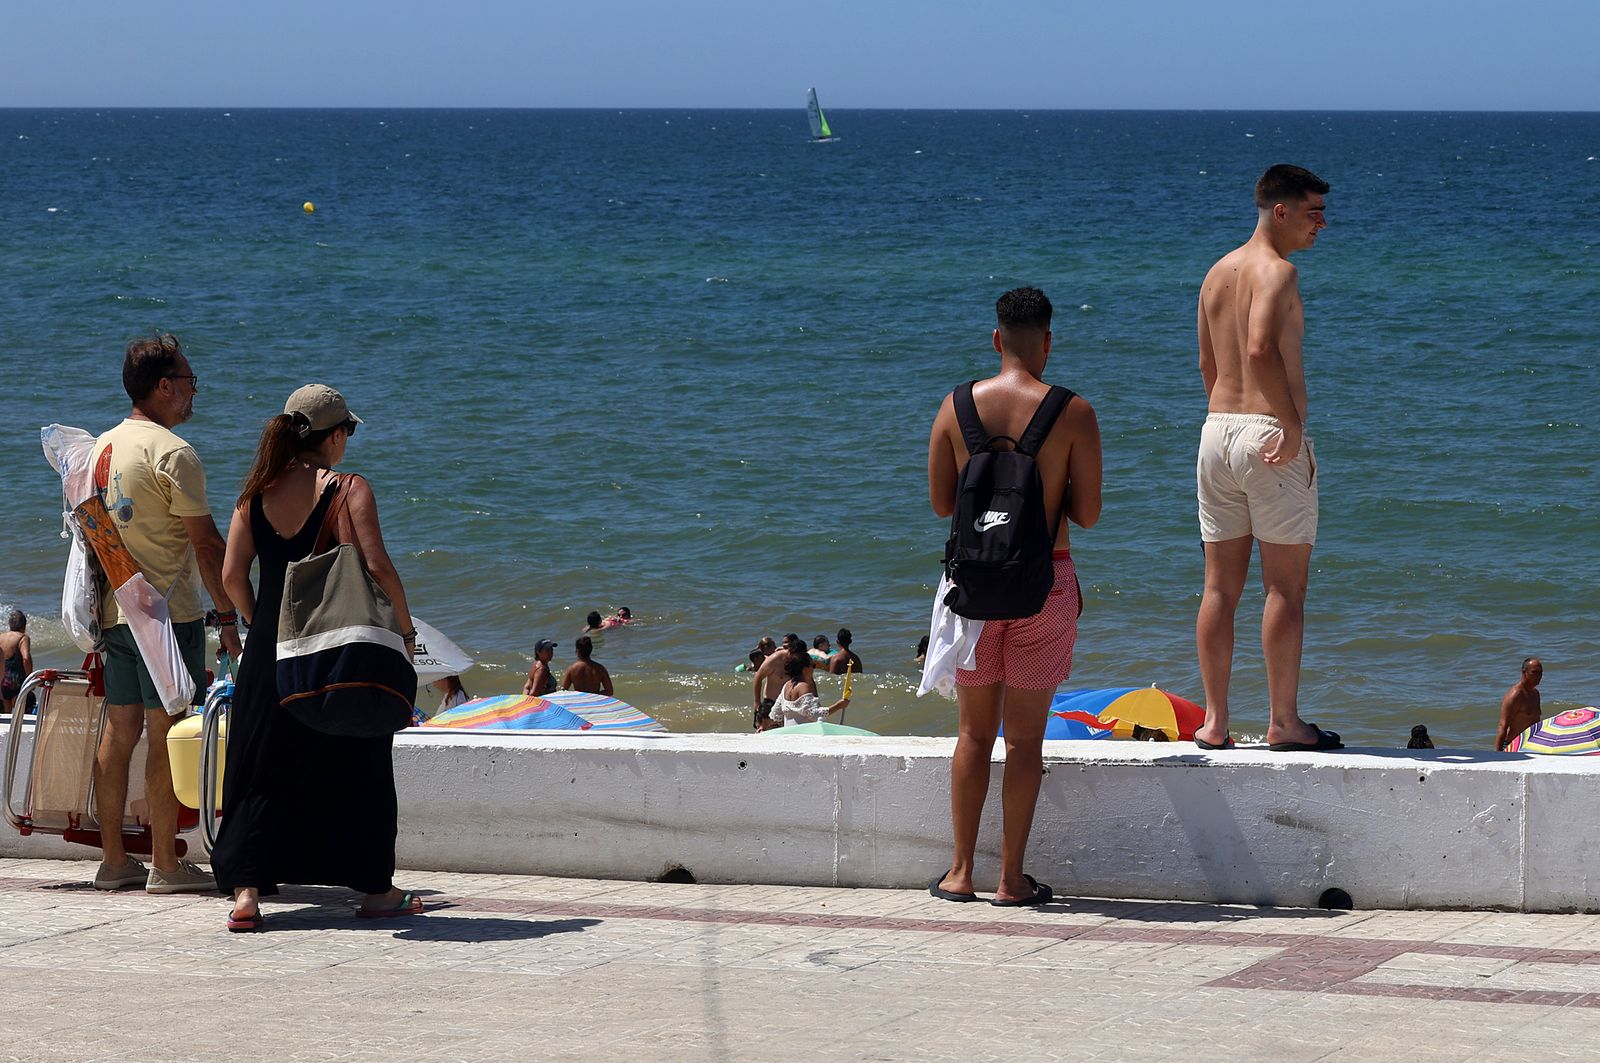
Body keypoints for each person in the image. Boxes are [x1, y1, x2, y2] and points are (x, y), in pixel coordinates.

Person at [211, 383, 423, 931]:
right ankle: (376, 890)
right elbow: (376, 566)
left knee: (259, 768)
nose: (347, 441)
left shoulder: (254, 494)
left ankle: (247, 894)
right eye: (347, 431)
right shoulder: (350, 489)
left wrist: (259, 624)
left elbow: (232, 576)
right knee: (359, 761)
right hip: (333, 649)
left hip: (269, 652)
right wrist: (405, 629)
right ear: (332, 436)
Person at [926, 287, 1102, 906]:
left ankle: (960, 871)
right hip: (1044, 585)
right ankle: (1011, 880)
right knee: (1026, 741)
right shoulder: (1074, 412)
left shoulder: (954, 408)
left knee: (973, 736)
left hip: (972, 590)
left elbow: (944, 504)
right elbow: (1087, 514)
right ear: (1048, 341)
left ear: (996, 339)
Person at [89, 335, 244, 894]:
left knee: (120, 728)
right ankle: (166, 864)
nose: (193, 391)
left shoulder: (102, 448)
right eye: (188, 380)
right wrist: (229, 617)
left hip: (114, 609)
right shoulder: (173, 453)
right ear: (164, 386)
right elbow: (206, 548)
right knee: (164, 731)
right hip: (164, 615)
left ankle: (113, 861)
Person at [1192, 164, 1340, 754]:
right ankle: (1283, 721)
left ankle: (1214, 721)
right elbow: (1259, 350)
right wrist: (1291, 421)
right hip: (1268, 435)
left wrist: (1230, 422)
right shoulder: (1278, 272)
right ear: (1280, 211)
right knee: (1285, 590)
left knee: (1219, 589)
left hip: (1215, 431)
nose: (1321, 224)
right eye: (1313, 212)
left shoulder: (1215, 272)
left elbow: (1209, 364)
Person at [768, 649, 850, 727]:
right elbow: (815, 714)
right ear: (805, 669)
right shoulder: (803, 686)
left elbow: (776, 713)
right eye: (812, 665)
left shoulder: (786, 686)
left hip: (789, 734)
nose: (813, 669)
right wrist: (839, 705)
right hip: (804, 735)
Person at [751, 634, 801, 729]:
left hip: (788, 705)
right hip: (770, 703)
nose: (785, 646)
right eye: (784, 643)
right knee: (763, 731)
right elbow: (758, 677)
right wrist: (757, 701)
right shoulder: (775, 658)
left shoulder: (798, 661)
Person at [1495, 657, 1544, 752]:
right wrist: (1498, 755)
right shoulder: (1515, 695)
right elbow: (1502, 726)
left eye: (1540, 673)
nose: (1539, 676)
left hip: (1531, 747)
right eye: (1534, 672)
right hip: (1513, 747)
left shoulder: (1535, 694)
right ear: (1524, 672)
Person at [1, 610, 34, 715]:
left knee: (6, 714)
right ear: (24, 626)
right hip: (16, 681)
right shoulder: (22, 637)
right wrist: (29, 677)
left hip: (3, 680)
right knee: (25, 705)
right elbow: (26, 658)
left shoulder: (1, 636)